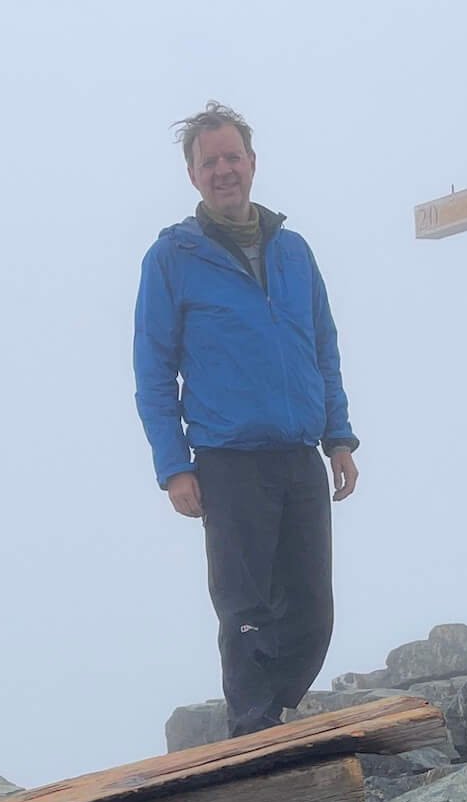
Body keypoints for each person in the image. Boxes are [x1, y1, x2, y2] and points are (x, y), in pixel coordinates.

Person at [132, 101, 360, 738]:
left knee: (312, 613)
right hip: (227, 460)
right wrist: (173, 466)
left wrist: (338, 436)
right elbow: (153, 371)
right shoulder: (173, 258)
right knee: (246, 611)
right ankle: (252, 732)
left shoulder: (294, 252)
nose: (224, 170)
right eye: (211, 162)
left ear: (253, 163)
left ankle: (273, 713)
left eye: (233, 157)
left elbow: (323, 347)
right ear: (193, 176)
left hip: (298, 454)